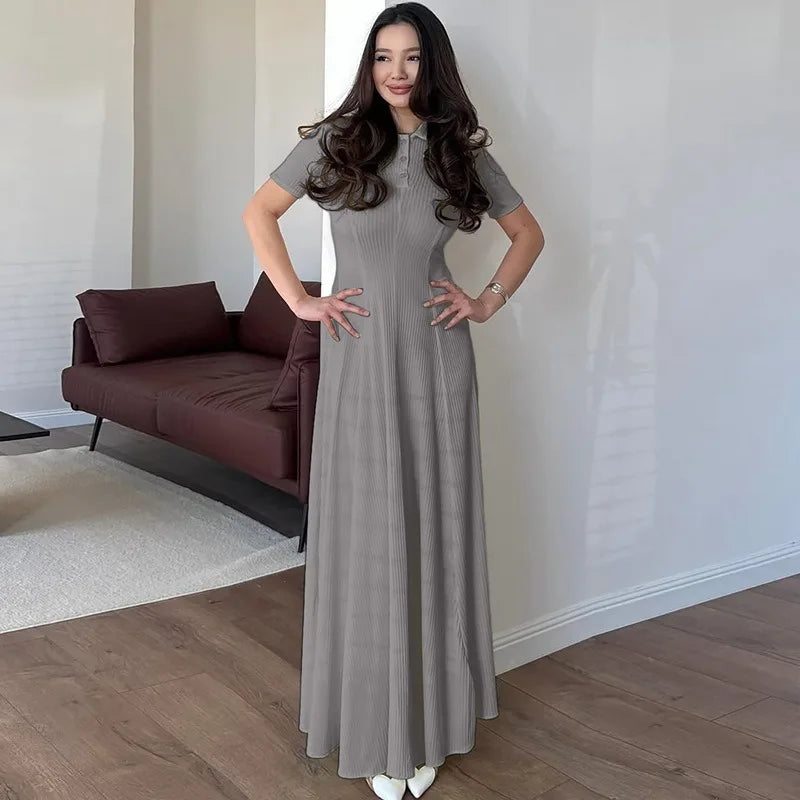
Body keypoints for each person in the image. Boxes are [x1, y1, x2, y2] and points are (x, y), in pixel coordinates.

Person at [243, 3, 545, 798]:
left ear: (432, 65)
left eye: (411, 57)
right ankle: (375, 725)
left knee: (432, 529)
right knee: (369, 536)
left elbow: (529, 236)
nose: (397, 71)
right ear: (369, 66)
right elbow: (259, 212)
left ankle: (429, 726)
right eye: (383, 56)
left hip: (438, 361)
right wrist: (300, 301)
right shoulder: (335, 142)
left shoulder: (457, 152)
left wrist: (485, 302)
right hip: (356, 362)